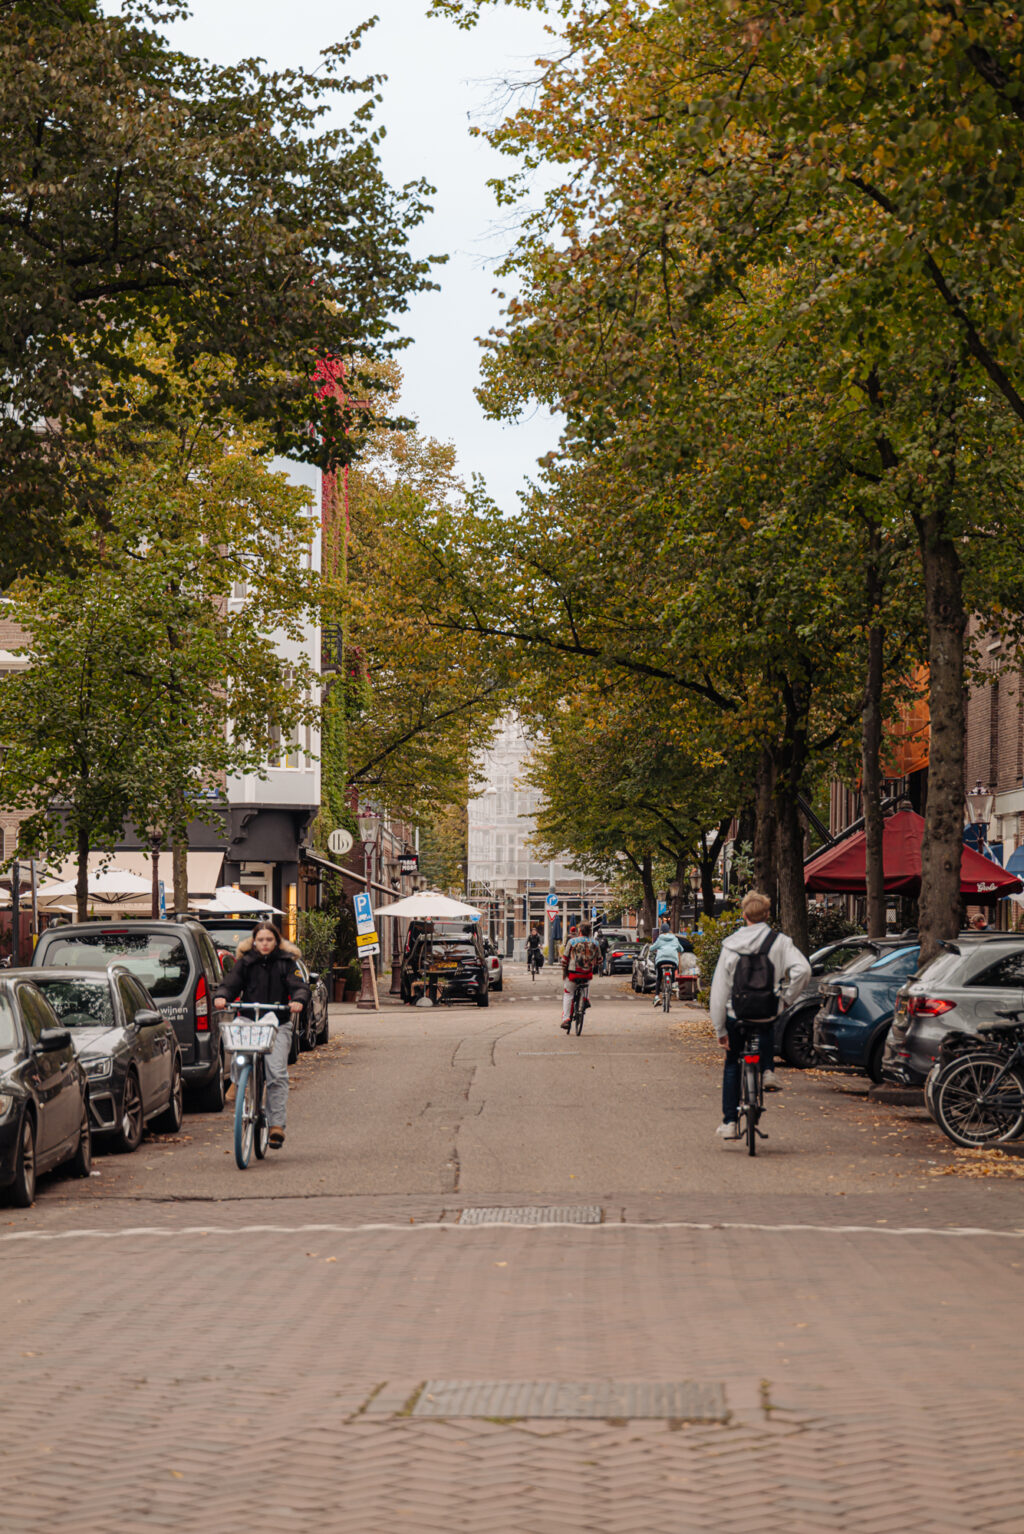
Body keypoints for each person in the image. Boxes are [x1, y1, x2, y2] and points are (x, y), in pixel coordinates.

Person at [708, 891, 810, 1140]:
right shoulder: (780, 942)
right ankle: (767, 1070)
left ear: (744, 915)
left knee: (732, 1063)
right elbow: (803, 969)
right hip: (767, 1011)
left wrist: (720, 1029)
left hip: (736, 1014)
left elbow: (719, 990)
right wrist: (786, 999)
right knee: (765, 1026)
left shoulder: (730, 945)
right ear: (767, 915)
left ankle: (730, 1122)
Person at [214, 921, 310, 1149]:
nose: (265, 944)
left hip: (277, 1023)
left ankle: (276, 1126)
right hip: (250, 1020)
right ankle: (238, 1081)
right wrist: (222, 995)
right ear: (254, 942)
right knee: (239, 1048)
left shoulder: (287, 963)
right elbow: (230, 984)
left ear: (276, 941)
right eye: (260, 940)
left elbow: (299, 985)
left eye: (269, 940)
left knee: (276, 1072)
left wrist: (298, 1000)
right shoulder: (245, 963)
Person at [560, 920, 602, 1031]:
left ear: (579, 930)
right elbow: (599, 960)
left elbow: (565, 959)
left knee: (568, 994)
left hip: (573, 973)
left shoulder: (572, 942)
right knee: (586, 984)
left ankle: (566, 1019)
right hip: (586, 973)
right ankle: (585, 999)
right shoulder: (595, 943)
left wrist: (564, 971)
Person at [648, 921, 687, 1006]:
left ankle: (657, 996)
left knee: (659, 977)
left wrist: (652, 948)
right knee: (674, 968)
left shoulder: (660, 938)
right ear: (669, 930)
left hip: (661, 960)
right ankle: (673, 984)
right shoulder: (674, 938)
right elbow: (681, 949)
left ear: (661, 930)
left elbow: (652, 948)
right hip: (672, 960)